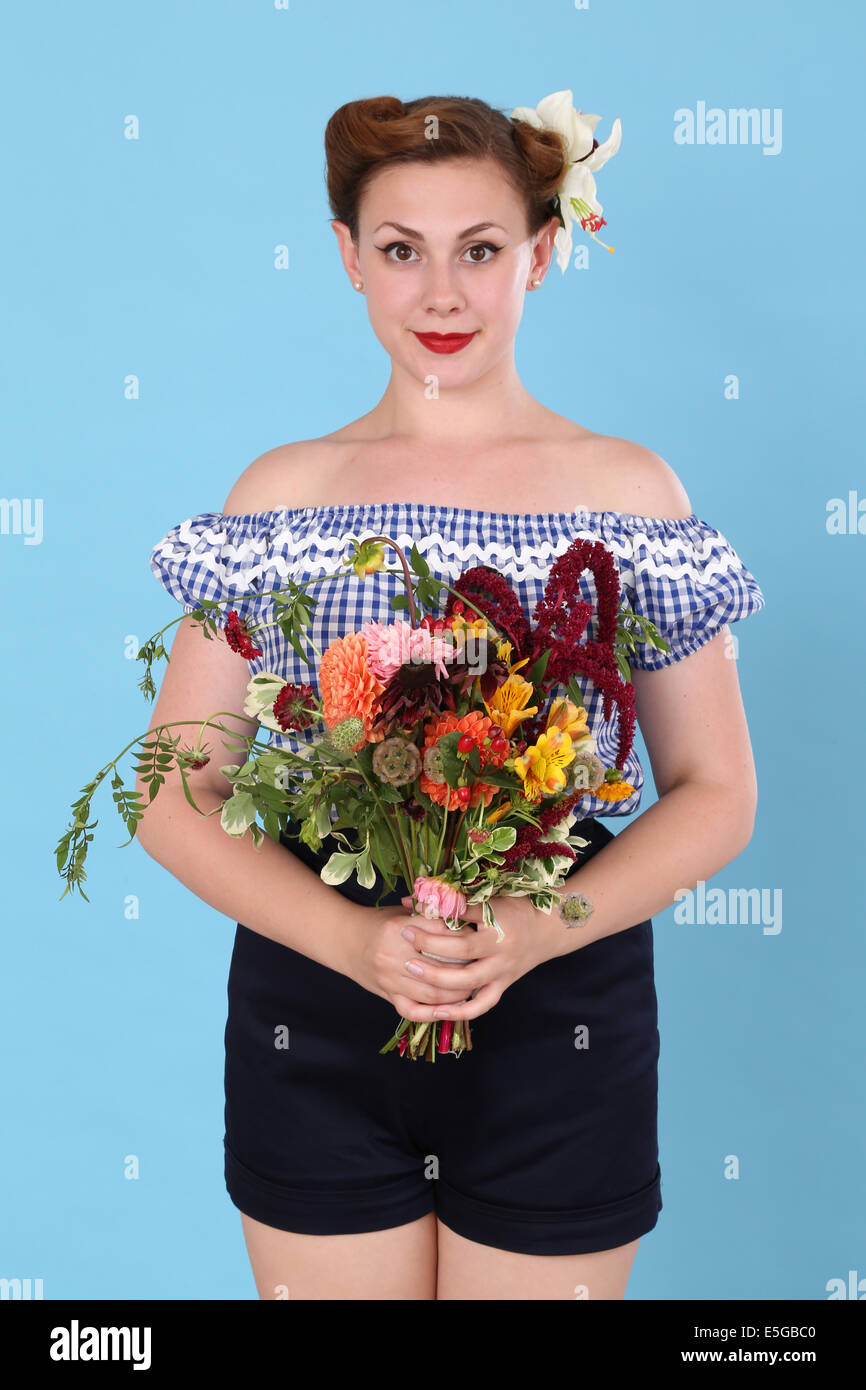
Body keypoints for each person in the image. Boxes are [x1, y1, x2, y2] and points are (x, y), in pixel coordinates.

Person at [140, 92, 765, 1300]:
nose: (441, 295)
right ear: (345, 257)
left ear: (540, 251)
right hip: (315, 1004)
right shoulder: (282, 497)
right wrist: (357, 943)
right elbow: (176, 790)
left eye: (479, 250)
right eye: (399, 250)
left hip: (558, 1006)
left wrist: (529, 932)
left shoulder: (626, 497)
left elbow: (716, 793)